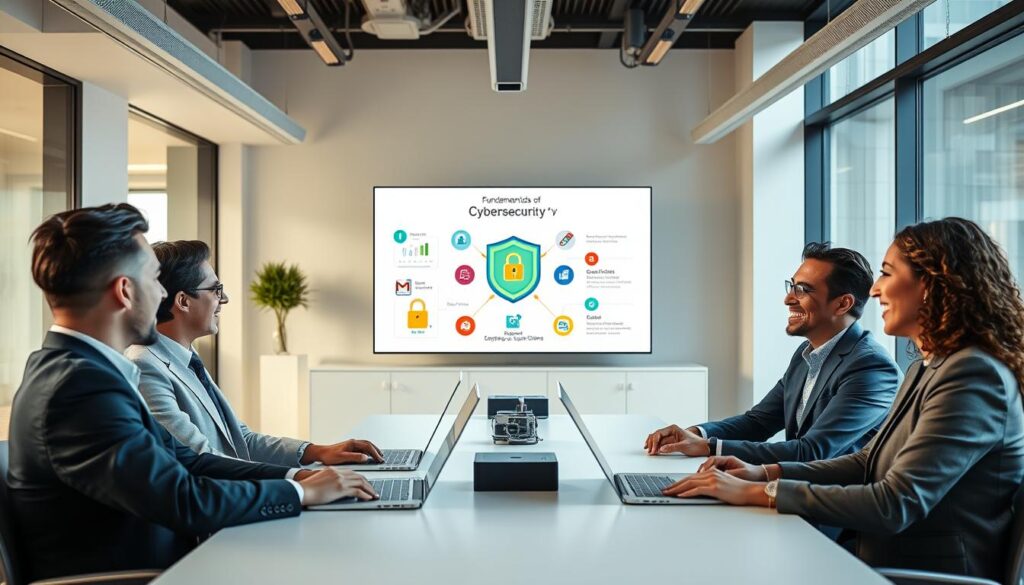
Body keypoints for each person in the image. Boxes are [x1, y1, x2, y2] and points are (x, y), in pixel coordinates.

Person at [6, 204, 376, 582]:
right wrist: (300, 495)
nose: (164, 293)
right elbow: (182, 498)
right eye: (155, 280)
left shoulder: (85, 371)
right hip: (154, 574)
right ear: (124, 291)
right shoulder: (79, 388)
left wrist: (298, 477)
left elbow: (190, 461)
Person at [666, 218, 1024, 580]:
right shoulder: (927, 368)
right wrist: (763, 473)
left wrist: (762, 492)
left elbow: (894, 503)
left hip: (917, 570)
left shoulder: (973, 376)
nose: (876, 290)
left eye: (887, 274)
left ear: (932, 285)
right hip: (876, 554)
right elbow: (866, 462)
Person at [126, 240, 383, 466]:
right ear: (183, 301)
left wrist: (317, 451)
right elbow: (201, 459)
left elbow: (242, 440)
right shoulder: (146, 366)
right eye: (216, 289)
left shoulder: (185, 357)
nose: (223, 299)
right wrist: (299, 479)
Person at [645, 243, 899, 464]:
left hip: (832, 511)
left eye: (803, 290)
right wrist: (695, 434)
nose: (788, 299)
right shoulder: (807, 354)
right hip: (794, 491)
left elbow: (813, 451)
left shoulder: (871, 368)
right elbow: (758, 422)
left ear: (843, 303)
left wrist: (710, 447)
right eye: (792, 286)